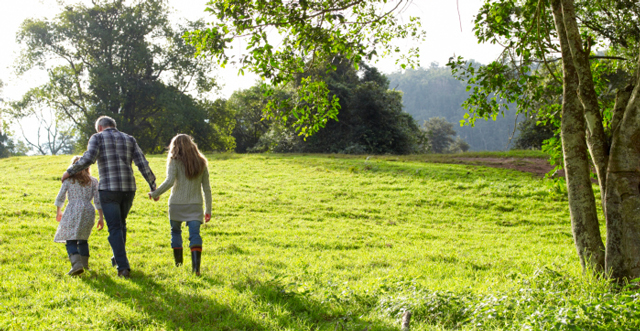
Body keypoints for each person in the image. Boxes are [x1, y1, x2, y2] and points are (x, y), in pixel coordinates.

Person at [62, 115, 157, 279]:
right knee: (120, 224)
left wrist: (70, 171)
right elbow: (142, 162)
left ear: (99, 127)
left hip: (109, 189)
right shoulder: (129, 139)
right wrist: (152, 184)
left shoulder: (97, 137)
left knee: (114, 227)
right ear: (114, 125)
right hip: (128, 189)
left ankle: (123, 267)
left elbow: (89, 158)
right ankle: (117, 258)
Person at [149, 134, 211, 276]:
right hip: (195, 205)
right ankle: (196, 269)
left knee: (176, 232)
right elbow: (206, 188)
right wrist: (208, 209)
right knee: (195, 234)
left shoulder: (174, 161)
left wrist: (155, 193)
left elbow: (170, 181)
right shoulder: (201, 162)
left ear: (174, 146)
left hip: (176, 203)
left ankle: (178, 266)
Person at [54, 156, 104, 276]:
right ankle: (84, 265)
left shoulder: (69, 180)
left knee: (70, 238)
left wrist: (58, 211)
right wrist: (101, 217)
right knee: (83, 239)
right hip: (88, 210)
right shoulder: (93, 181)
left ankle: (76, 265)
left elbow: (61, 196)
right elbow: (98, 200)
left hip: (73, 209)